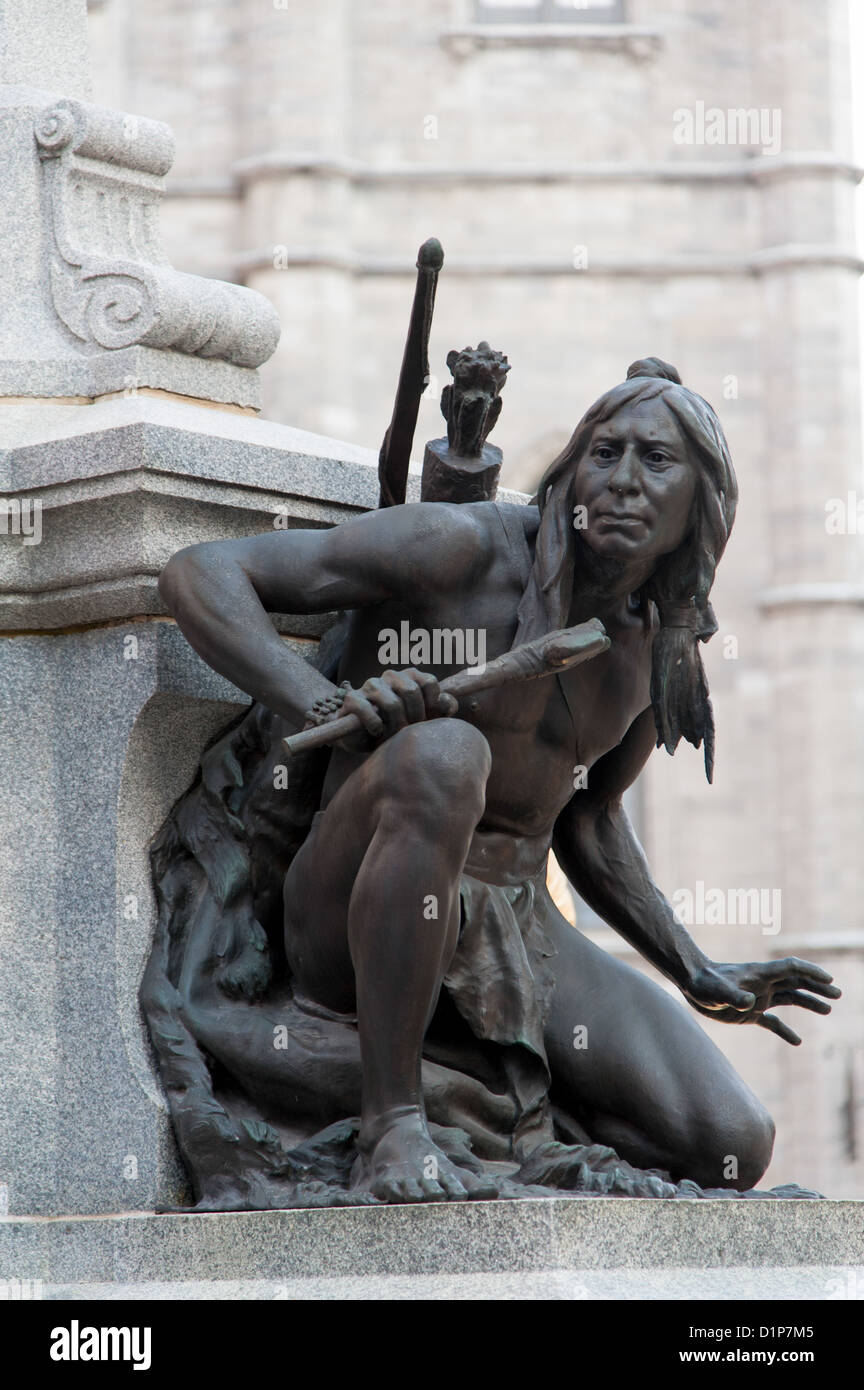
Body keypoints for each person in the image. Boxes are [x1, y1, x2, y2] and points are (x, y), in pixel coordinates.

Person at [158, 358, 840, 1203]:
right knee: (447, 755)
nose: (623, 481)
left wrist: (691, 964)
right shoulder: (464, 549)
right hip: (345, 902)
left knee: (731, 1138)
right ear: (571, 471)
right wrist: (323, 700)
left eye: (656, 462)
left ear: (701, 502)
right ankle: (392, 1125)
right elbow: (200, 573)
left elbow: (588, 821)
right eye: (606, 454)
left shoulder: (655, 644)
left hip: (517, 922)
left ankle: (514, 1122)